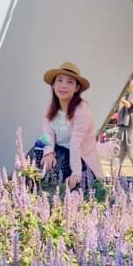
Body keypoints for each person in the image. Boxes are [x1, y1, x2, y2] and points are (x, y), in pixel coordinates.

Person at [31, 61, 104, 190]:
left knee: (60, 163)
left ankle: (54, 190)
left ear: (76, 88)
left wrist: (76, 172)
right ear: (53, 85)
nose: (63, 86)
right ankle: (33, 188)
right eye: (59, 80)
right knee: (37, 149)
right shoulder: (49, 108)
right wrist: (48, 152)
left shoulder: (82, 109)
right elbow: (47, 133)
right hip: (58, 150)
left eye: (70, 82)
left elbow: (75, 143)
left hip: (79, 158)